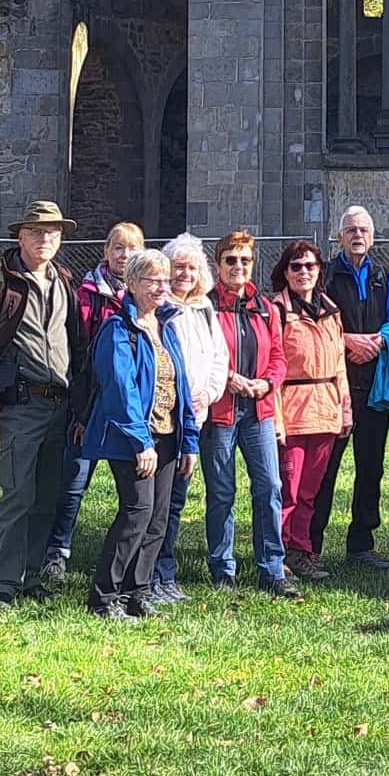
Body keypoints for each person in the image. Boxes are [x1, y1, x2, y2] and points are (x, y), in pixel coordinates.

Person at [0, 200, 90, 614]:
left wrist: (81, 405)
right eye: (36, 232)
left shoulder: (64, 280)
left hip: (60, 404)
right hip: (20, 404)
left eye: (53, 232)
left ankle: (32, 578)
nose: (45, 238)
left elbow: (77, 343)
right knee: (17, 495)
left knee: (46, 497)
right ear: (20, 237)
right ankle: (2, 586)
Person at [80, 249, 199, 619]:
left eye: (166, 279)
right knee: (136, 512)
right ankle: (104, 596)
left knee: (158, 519)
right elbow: (120, 390)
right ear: (132, 284)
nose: (162, 286)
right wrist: (140, 442)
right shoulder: (118, 329)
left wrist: (188, 441)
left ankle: (138, 592)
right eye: (153, 279)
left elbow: (181, 387)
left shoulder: (167, 327)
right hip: (133, 439)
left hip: (168, 437)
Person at [42, 221, 143, 585]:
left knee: (135, 491)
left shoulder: (145, 297)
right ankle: (57, 552)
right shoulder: (84, 295)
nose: (124, 255)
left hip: (129, 409)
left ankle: (134, 561)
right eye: (118, 247)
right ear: (105, 252)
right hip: (88, 405)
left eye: (132, 248)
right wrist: (81, 409)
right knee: (74, 483)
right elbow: (75, 352)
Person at [205, 230, 299, 599]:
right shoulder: (207, 306)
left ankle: (271, 569)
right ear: (218, 265)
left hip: (258, 410)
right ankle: (222, 568)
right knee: (222, 491)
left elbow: (278, 357)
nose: (238, 267)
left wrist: (265, 384)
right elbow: (201, 355)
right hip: (222, 411)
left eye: (245, 260)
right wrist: (227, 378)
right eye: (231, 260)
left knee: (269, 488)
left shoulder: (265, 307)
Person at [313, 207, 389, 570]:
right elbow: (314, 324)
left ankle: (362, 546)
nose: (357, 236)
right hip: (334, 386)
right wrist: (347, 340)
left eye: (363, 230)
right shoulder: (325, 275)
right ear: (339, 237)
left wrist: (379, 342)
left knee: (371, 467)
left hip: (374, 388)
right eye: (350, 230)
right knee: (325, 467)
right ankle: (310, 545)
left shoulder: (384, 276)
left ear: (372, 236)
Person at [151, 233, 230, 603]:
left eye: (192, 267)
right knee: (155, 503)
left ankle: (164, 573)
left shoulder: (204, 310)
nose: (185, 274)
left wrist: (210, 393)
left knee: (176, 501)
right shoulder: (160, 308)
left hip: (194, 419)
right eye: (178, 267)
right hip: (163, 420)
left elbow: (219, 360)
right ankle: (149, 575)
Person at [271, 238, 352, 583]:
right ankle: (276, 555)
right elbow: (270, 367)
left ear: (320, 270)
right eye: (296, 266)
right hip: (291, 410)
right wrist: (275, 417)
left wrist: (345, 409)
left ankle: (302, 551)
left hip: (326, 409)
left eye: (310, 266)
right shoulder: (276, 310)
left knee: (310, 491)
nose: (304, 272)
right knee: (286, 489)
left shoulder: (330, 310)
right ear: (285, 272)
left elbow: (339, 365)